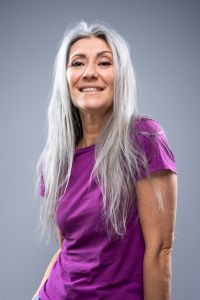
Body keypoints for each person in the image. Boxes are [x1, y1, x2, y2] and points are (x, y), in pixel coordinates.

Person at [32, 21, 178, 300]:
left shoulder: (143, 139)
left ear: (120, 76)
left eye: (104, 63)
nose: (89, 73)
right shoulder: (55, 161)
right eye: (77, 63)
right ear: (65, 78)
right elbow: (69, 248)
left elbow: (160, 250)